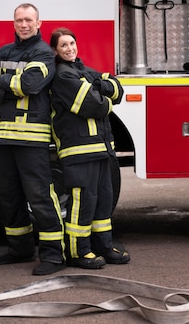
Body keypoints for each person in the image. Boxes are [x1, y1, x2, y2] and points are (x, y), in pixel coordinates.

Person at [0, 3, 65, 276]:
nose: (23, 24)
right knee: (7, 196)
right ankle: (20, 248)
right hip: (4, 139)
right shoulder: (4, 51)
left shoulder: (43, 53)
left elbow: (31, 85)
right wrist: (12, 83)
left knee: (40, 196)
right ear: (14, 23)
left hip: (32, 140)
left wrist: (3, 81)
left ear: (39, 23)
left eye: (28, 20)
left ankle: (53, 256)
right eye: (19, 20)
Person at [49, 27, 130, 269]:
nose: (69, 48)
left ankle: (103, 246)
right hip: (78, 150)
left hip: (100, 148)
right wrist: (103, 94)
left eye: (72, 43)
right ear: (55, 50)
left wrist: (101, 87)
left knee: (103, 200)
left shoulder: (81, 71)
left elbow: (118, 88)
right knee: (83, 203)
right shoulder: (63, 76)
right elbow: (93, 106)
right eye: (63, 45)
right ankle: (78, 252)